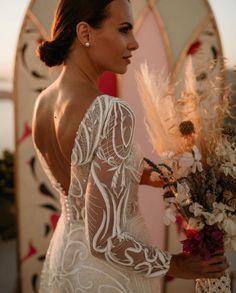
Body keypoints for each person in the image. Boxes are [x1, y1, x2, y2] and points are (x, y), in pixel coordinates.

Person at [32, 0, 229, 292]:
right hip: (109, 277)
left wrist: (139, 174)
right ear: (85, 32)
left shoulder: (43, 101)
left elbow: (81, 178)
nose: (134, 43)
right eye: (124, 30)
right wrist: (175, 264)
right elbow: (104, 239)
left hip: (67, 261)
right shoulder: (110, 111)